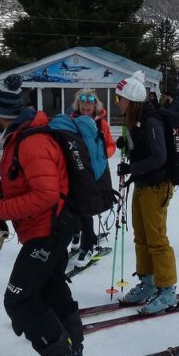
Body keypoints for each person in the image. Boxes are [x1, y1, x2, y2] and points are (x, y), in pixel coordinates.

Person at [0, 75, 84, 356]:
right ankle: (70, 352)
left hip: (48, 230)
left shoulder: (31, 141)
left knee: (19, 298)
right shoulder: (20, 135)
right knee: (50, 289)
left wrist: (1, 211)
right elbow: (25, 184)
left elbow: (46, 195)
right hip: (48, 227)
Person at [114, 71, 179, 314]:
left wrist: (132, 167)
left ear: (131, 100)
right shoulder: (134, 120)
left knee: (157, 240)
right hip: (142, 185)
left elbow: (159, 156)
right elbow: (142, 148)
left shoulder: (151, 120)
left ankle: (168, 289)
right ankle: (148, 282)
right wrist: (127, 146)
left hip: (156, 186)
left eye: (119, 97)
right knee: (141, 238)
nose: (117, 102)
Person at [70, 88, 116, 268]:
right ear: (78, 104)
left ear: (95, 105)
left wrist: (102, 154)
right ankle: (76, 232)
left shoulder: (101, 124)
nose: (86, 107)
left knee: (86, 208)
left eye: (90, 104)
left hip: (95, 172)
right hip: (75, 170)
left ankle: (88, 245)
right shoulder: (71, 121)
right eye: (83, 103)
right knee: (71, 204)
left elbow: (110, 145)